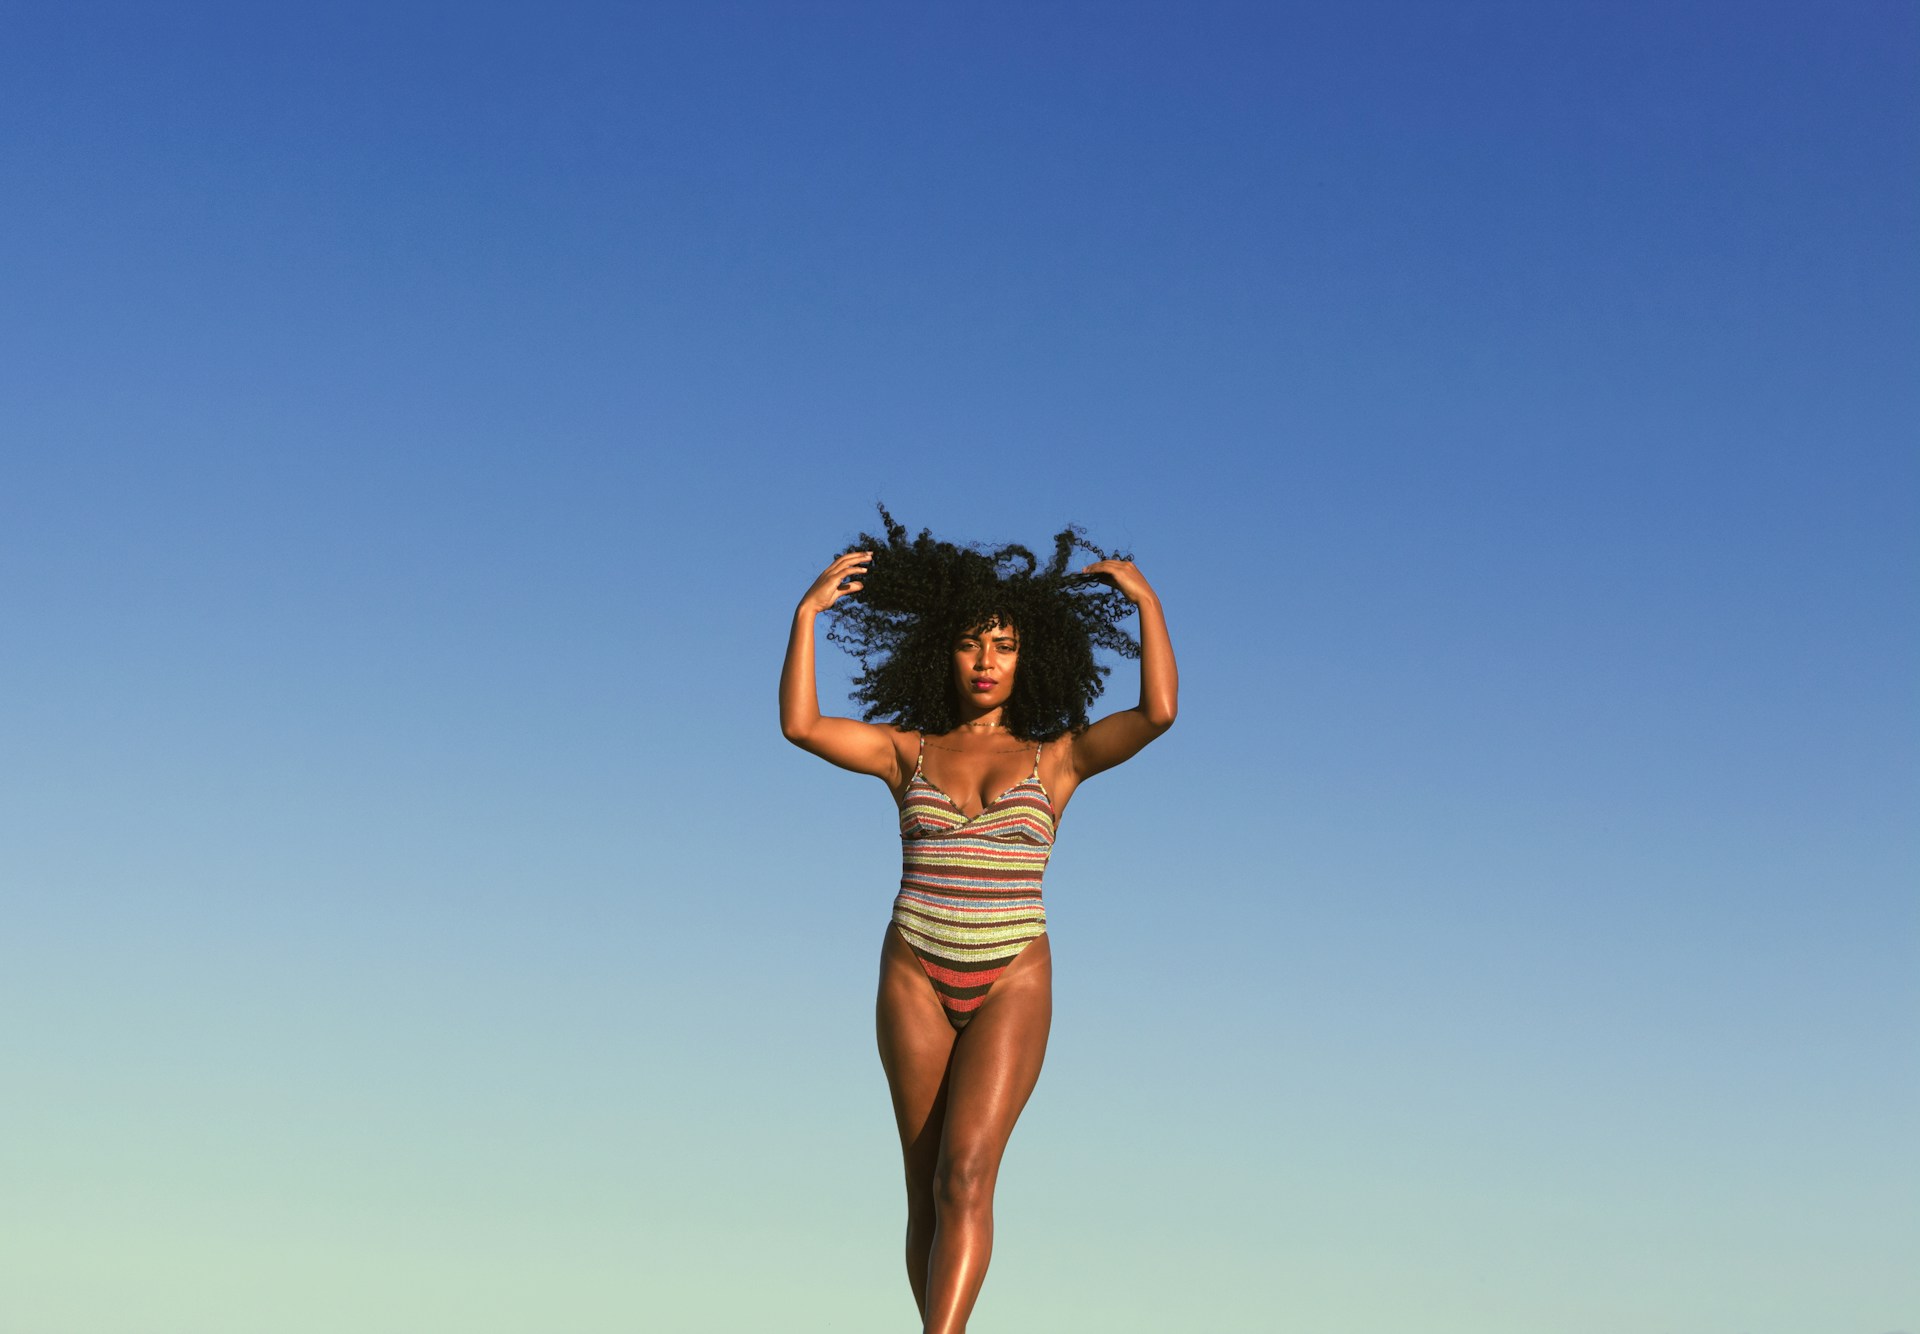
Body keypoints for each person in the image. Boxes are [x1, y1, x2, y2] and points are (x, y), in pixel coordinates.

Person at [778, 507, 1179, 1333]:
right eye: (970, 643)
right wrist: (806, 616)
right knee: (925, 1185)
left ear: (1030, 655)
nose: (987, 661)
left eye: (1004, 644)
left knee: (967, 1175)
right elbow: (802, 726)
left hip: (1012, 975)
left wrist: (1146, 604)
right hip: (914, 971)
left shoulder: (1056, 757)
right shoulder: (906, 750)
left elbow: (1157, 716)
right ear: (943, 653)